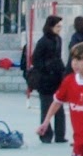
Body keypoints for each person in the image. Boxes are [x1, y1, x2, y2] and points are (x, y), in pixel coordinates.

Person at [29, 15, 69, 144]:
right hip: (45, 80)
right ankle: (46, 135)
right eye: (57, 27)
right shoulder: (43, 41)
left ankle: (60, 135)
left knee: (59, 108)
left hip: (56, 78)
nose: (59, 29)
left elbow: (58, 58)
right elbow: (35, 59)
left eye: (60, 27)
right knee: (46, 108)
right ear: (50, 27)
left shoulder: (58, 40)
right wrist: (47, 68)